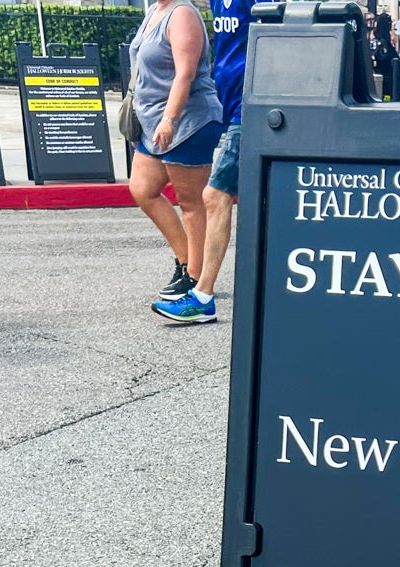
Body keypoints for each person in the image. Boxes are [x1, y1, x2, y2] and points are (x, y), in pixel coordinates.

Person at [152, 0, 247, 324]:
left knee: (214, 194)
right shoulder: (219, 4)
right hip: (228, 105)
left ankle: (203, 296)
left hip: (250, 106)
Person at [126, 0, 221, 319]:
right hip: (153, 121)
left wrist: (170, 119)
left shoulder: (182, 14)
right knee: (143, 189)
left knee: (192, 203)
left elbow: (186, 73)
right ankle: (185, 261)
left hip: (187, 121)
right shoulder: (154, 11)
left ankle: (195, 279)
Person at [371, 12, 397, 100]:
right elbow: (385, 56)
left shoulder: (377, 39)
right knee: (387, 96)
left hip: (382, 74)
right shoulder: (383, 42)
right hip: (387, 76)